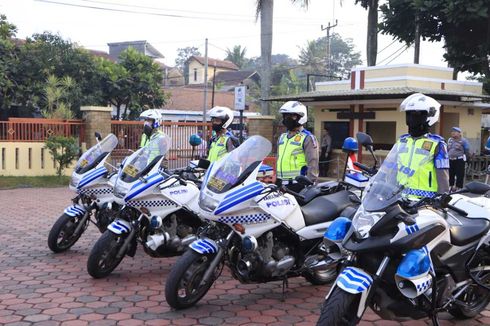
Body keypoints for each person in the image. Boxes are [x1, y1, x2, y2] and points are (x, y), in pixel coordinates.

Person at [395, 93, 450, 197]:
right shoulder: (402, 141)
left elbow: (443, 174)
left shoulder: (437, 144)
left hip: (425, 201)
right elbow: (392, 167)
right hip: (399, 197)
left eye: (417, 115)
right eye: (409, 115)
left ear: (429, 117)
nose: (411, 119)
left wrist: (442, 197)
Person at [276, 101, 319, 186]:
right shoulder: (282, 137)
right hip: (280, 183)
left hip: (299, 184)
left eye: (292, 116)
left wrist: (310, 183)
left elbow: (313, 162)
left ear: (301, 117)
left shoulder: (307, 138)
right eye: (285, 116)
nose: (287, 119)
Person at [447, 127, 471, 191]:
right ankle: (450, 186)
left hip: (459, 160)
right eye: (452, 132)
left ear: (459, 133)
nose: (453, 133)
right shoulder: (450, 140)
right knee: (450, 174)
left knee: (459, 174)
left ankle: (459, 188)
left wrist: (467, 160)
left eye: (455, 132)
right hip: (450, 159)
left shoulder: (464, 141)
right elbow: (447, 149)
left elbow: (467, 150)